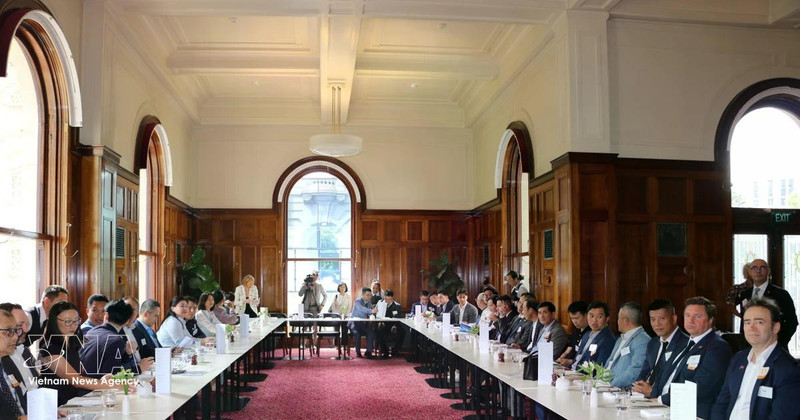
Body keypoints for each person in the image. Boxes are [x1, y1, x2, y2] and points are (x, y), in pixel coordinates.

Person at [711, 297, 800, 419]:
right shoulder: (738, 359)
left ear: (775, 327)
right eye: (747, 322)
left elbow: (781, 417)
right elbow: (721, 403)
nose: (751, 328)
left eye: (759, 322)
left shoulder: (789, 370)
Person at [659, 297, 732, 420]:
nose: (690, 320)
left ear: (710, 320)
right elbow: (665, 374)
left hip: (695, 413)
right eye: (687, 315)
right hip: (670, 407)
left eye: (697, 316)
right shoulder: (684, 343)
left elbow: (702, 387)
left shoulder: (717, 347)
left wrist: (661, 400)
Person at [39, 301, 120, 406]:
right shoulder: (50, 347)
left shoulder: (72, 342)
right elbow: (76, 380)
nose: (74, 325)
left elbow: (79, 375)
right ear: (54, 321)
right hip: (55, 406)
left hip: (72, 401)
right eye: (68, 321)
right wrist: (115, 385)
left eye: (76, 320)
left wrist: (102, 381)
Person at [632, 299, 690, 399]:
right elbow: (644, 372)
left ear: (674, 318)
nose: (657, 324)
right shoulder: (653, 343)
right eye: (653, 319)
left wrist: (652, 392)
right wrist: (639, 386)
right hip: (643, 397)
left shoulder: (686, 344)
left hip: (664, 400)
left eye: (662, 318)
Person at [80, 299, 153, 377]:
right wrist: (139, 368)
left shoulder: (91, 332)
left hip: (81, 380)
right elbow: (115, 376)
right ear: (127, 321)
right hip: (97, 383)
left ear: (106, 315)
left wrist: (128, 353)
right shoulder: (116, 340)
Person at [740, 259, 798, 347]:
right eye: (754, 268)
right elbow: (744, 321)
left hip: (775, 346)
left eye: (762, 268)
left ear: (768, 271)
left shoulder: (781, 294)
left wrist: (779, 342)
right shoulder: (745, 294)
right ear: (749, 272)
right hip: (749, 348)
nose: (758, 271)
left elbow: (792, 322)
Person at [0, 303, 37, 415]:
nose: (16, 336)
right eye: (9, 331)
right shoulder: (6, 360)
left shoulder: (23, 351)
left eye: (27, 324)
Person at [605, 302, 650, 388]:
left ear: (625, 321)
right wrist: (595, 381)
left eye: (618, 318)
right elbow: (609, 364)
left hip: (619, 389)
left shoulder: (642, 340)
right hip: (605, 385)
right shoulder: (620, 339)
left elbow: (635, 370)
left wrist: (611, 385)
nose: (617, 321)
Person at [571, 301, 615, 369]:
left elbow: (599, 367)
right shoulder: (586, 334)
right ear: (587, 316)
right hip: (573, 370)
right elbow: (577, 359)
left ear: (607, 319)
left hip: (585, 374)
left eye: (599, 317)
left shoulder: (608, 339)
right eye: (591, 316)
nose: (594, 320)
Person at [0, 310, 26, 418]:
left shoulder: (7, 363)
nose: (15, 337)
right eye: (9, 331)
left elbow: (21, 403)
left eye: (16, 331)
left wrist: (42, 411)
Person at [557, 301, 590, 367]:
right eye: (572, 318)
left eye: (577, 318)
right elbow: (570, 348)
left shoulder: (590, 333)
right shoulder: (576, 331)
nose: (574, 321)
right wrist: (561, 358)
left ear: (586, 316)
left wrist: (571, 361)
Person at [349, 287, 377, 358]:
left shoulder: (369, 302)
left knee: (371, 331)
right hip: (354, 324)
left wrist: (373, 314)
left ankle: (368, 352)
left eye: (370, 295)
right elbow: (361, 309)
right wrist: (371, 311)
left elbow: (370, 311)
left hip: (363, 324)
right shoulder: (357, 301)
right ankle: (358, 352)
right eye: (367, 295)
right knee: (357, 334)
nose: (369, 297)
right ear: (363, 295)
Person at [375, 290, 404, 358]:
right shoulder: (380, 302)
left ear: (392, 298)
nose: (387, 301)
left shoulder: (397, 305)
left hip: (393, 325)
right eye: (386, 299)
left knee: (402, 332)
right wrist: (379, 322)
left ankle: (395, 351)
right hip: (383, 324)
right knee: (377, 331)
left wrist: (395, 326)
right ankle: (385, 351)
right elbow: (376, 313)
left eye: (389, 299)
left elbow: (398, 318)